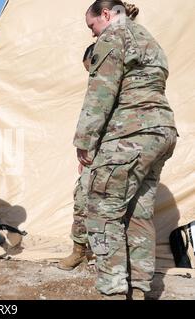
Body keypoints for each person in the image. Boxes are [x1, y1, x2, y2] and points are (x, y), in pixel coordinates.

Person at [74, 0, 177, 300]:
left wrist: (85, 142)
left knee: (103, 211)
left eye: (92, 26)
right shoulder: (147, 37)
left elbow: (100, 93)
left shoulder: (113, 36)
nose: (93, 35)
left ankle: (115, 293)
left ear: (106, 14)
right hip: (162, 133)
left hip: (131, 135)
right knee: (139, 215)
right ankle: (142, 289)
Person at [57, 43, 95, 271]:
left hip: (122, 151)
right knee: (82, 198)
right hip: (97, 152)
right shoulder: (99, 83)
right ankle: (79, 251)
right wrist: (84, 150)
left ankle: (108, 257)